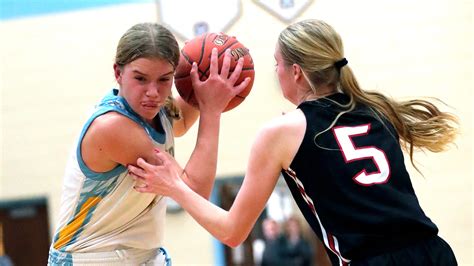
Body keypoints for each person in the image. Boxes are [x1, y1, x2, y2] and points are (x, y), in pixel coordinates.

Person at [128, 19, 459, 265]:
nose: (276, 72)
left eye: (277, 65)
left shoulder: (282, 132)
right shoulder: (376, 108)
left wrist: (174, 186)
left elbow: (233, 232)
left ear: (297, 72)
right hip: (435, 252)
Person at [47, 22, 249, 265]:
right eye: (140, 78)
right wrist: (212, 111)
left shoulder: (157, 109)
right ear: (118, 73)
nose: (153, 92)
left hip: (136, 256)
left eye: (164, 79)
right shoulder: (113, 127)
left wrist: (214, 64)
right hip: (89, 259)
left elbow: (181, 120)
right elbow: (194, 193)